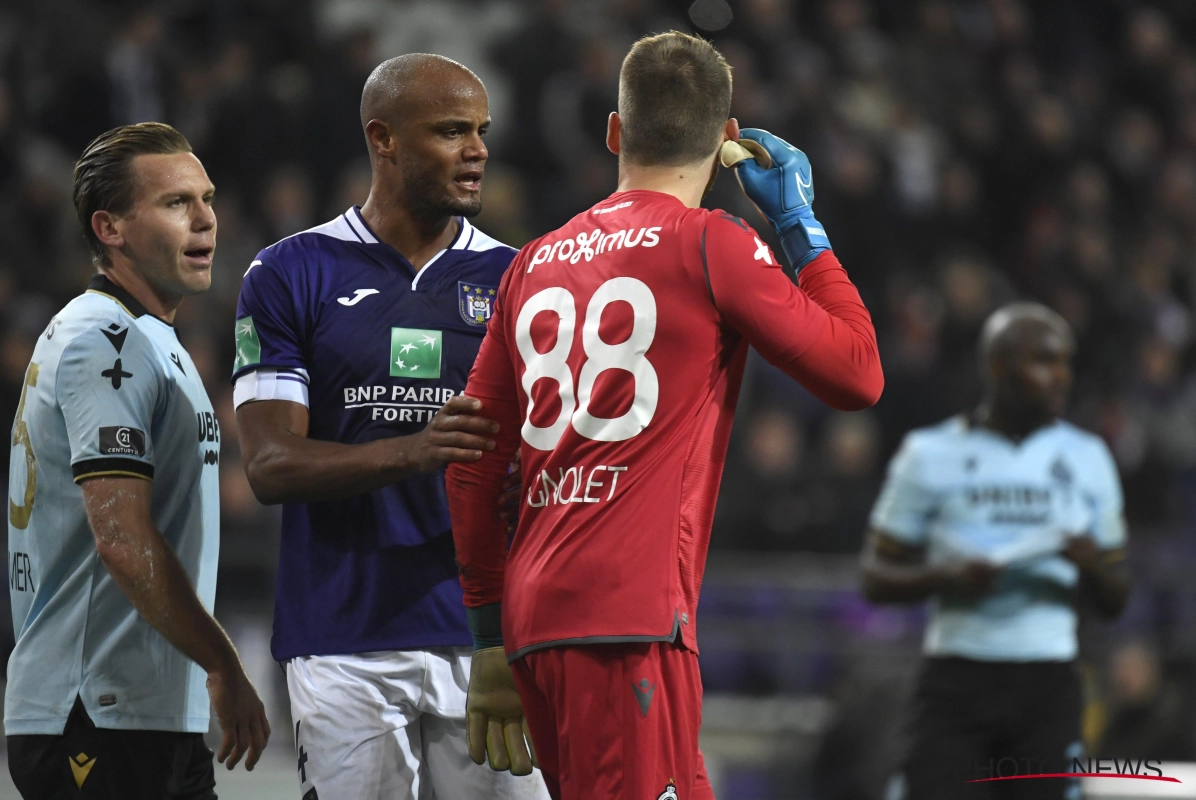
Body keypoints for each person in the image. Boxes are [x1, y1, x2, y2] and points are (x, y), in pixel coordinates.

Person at [447, 31, 884, 800]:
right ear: (726, 143)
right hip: (629, 621)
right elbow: (858, 375)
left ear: (615, 131)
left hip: (536, 621)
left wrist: (488, 640)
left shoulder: (532, 261)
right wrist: (798, 226)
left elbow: (473, 461)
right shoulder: (713, 243)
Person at [232, 54, 547, 800]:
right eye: (450, 131)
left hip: (490, 639)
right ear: (385, 139)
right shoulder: (288, 272)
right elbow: (271, 465)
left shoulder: (521, 279)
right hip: (344, 638)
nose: (477, 151)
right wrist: (418, 449)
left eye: (481, 131)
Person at [6, 122, 269, 799]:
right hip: (94, 710)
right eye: (177, 203)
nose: (207, 218)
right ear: (110, 228)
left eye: (207, 198)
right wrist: (223, 664)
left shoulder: (150, 338)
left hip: (144, 711)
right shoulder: (103, 341)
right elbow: (121, 539)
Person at [861, 302, 1131, 799]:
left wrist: (1090, 563)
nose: (1060, 377)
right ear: (999, 367)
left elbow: (1117, 598)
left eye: (1065, 363)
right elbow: (875, 578)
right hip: (956, 679)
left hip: (1048, 683)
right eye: (1044, 361)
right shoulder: (929, 455)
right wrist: (947, 577)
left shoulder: (1088, 458)